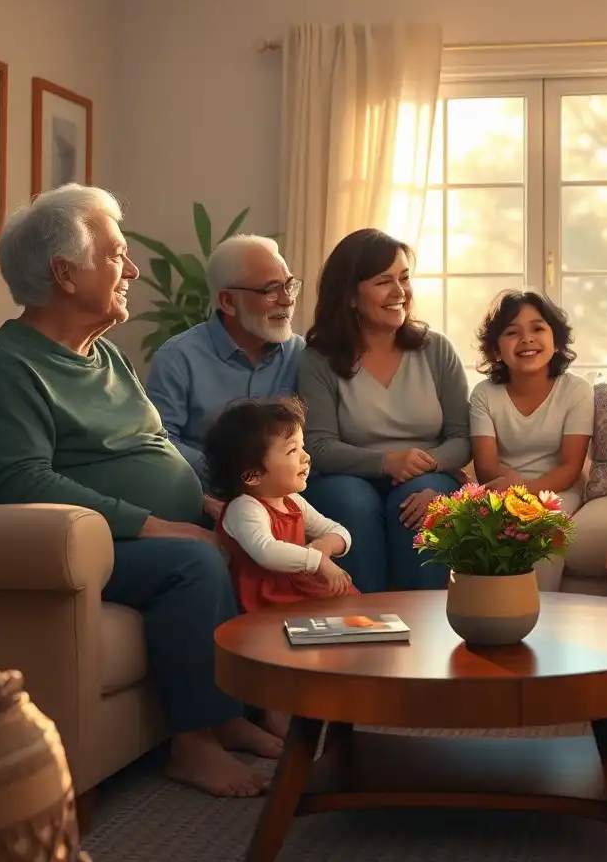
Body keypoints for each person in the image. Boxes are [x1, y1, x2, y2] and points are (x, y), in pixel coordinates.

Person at [0, 184, 282, 798]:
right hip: (84, 549)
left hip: (147, 531)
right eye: (116, 255)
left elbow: (156, 447)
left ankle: (225, 714)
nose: (133, 269)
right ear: (66, 274)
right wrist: (157, 525)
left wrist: (207, 504)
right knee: (193, 560)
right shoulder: (7, 367)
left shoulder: (107, 357)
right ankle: (192, 745)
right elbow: (18, 480)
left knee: (255, 533)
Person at [297, 228, 471, 593]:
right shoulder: (319, 360)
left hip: (428, 473)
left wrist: (425, 464)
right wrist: (386, 462)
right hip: (347, 476)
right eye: (383, 282)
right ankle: (362, 625)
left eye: (404, 279)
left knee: (420, 501)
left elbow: (461, 439)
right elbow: (318, 445)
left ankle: (426, 626)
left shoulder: (436, 350)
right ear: (349, 296)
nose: (400, 292)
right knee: (350, 502)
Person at [145, 234, 305, 509]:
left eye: (289, 286)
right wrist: (227, 472)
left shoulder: (299, 353)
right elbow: (160, 439)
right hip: (206, 493)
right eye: (270, 290)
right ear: (227, 302)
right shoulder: (178, 357)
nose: (286, 300)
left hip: (285, 495)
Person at [469, 289, 594, 590]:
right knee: (479, 530)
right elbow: (486, 467)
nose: (527, 339)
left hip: (557, 490)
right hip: (501, 486)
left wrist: (528, 497)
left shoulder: (576, 391)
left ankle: (541, 614)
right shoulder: (484, 394)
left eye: (538, 328)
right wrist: (513, 495)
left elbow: (570, 467)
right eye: (512, 332)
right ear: (496, 350)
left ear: (556, 340)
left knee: (541, 525)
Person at [203, 396, 357, 614]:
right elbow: (267, 551)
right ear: (252, 475)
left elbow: (337, 531)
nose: (306, 457)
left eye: (302, 447)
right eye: (292, 451)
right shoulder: (244, 508)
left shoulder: (292, 501)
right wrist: (317, 561)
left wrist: (324, 546)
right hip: (268, 601)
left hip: (299, 589)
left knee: (351, 608)